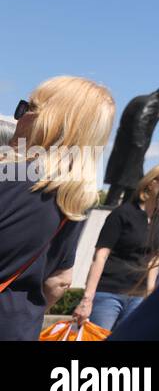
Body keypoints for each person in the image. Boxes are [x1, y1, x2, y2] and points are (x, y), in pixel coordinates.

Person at [0, 77, 114, 340]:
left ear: (47, 120)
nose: (18, 118)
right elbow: (59, 281)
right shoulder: (76, 199)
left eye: (26, 108)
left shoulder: (9, 175)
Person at [74, 165, 159, 331]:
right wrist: (87, 299)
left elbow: (154, 257)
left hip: (138, 296)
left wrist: (150, 293)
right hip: (109, 293)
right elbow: (100, 256)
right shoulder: (122, 213)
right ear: (151, 183)